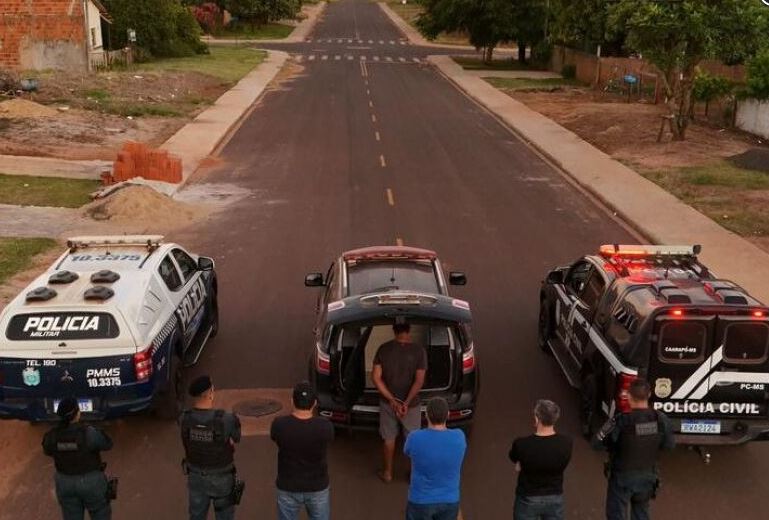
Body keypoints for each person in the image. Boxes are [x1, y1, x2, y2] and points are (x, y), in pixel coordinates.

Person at [594, 378, 675, 520]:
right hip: (647, 478)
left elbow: (597, 443)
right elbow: (669, 445)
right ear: (649, 395)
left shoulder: (620, 420)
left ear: (629, 396)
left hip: (622, 479)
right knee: (641, 513)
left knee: (616, 515)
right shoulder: (661, 420)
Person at [270, 381, 335, 520]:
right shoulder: (325, 427)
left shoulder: (279, 425)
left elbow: (275, 438)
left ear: (292, 401)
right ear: (315, 403)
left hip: (288, 486)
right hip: (317, 487)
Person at [372, 321, 427, 483]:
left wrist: (392, 400)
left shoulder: (383, 349)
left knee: (389, 438)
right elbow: (419, 381)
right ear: (409, 330)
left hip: (388, 403)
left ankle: (388, 473)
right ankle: (412, 475)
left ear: (393, 330)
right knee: (413, 439)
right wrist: (406, 402)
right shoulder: (419, 351)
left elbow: (375, 378)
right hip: (412, 404)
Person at [180, 375, 242, 520]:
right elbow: (237, 438)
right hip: (222, 479)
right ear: (211, 393)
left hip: (196, 477)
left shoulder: (184, 418)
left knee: (196, 515)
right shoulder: (226, 419)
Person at [42, 397, 114, 520]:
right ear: (77, 414)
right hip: (91, 483)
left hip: (65, 483)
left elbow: (47, 450)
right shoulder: (88, 433)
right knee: (100, 514)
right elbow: (107, 444)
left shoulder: (52, 435)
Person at [403, 397, 466, 520]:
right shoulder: (459, 437)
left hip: (420, 500)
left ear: (426, 415)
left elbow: (407, 451)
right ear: (447, 415)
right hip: (450, 500)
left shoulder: (414, 437)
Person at [509, 399, 573, 520]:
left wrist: (520, 464)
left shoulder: (522, 444)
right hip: (555, 497)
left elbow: (514, 458)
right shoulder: (567, 443)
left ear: (537, 419)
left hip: (527, 498)